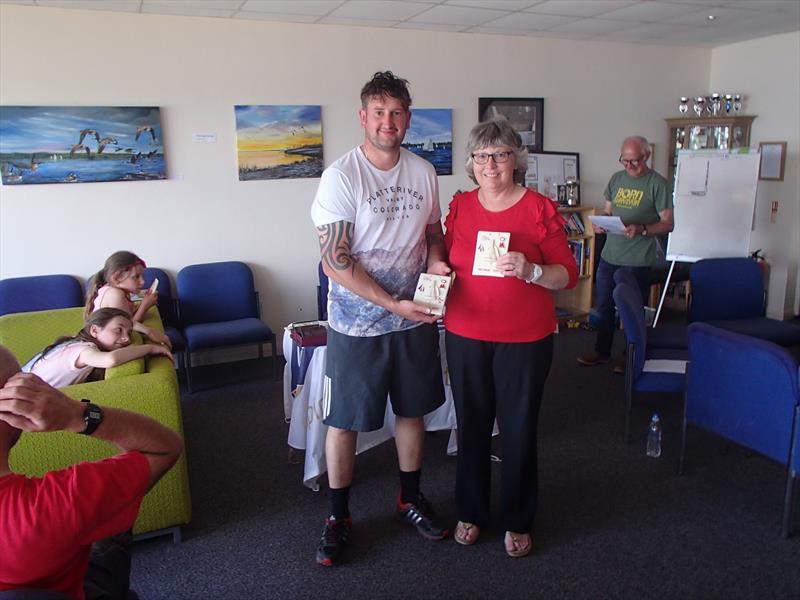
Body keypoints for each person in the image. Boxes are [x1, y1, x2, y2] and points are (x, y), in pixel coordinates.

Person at [310, 70, 450, 566]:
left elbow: (433, 231)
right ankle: (339, 515)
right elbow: (336, 260)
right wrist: (391, 303)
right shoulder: (342, 177)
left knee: (412, 411)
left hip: (414, 320)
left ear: (407, 119)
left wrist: (435, 259)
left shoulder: (423, 172)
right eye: (379, 112)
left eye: (397, 113)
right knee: (345, 421)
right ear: (363, 117)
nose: (388, 122)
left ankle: (409, 498)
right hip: (356, 327)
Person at [442, 118, 579, 557]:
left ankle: (518, 518)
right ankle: (471, 510)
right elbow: (444, 258)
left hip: (525, 338)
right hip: (465, 334)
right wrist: (436, 274)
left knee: (518, 430)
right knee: (472, 426)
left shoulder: (538, 208)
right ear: (471, 163)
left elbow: (568, 276)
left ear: (516, 160)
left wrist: (533, 271)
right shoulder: (461, 206)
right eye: (482, 156)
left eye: (500, 154)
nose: (491, 164)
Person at [0, 345, 183, 598]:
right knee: (112, 533)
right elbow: (165, 447)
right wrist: (75, 414)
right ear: (14, 404)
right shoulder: (59, 503)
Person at [577, 136, 673, 371]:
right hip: (610, 254)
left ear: (647, 157)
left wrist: (642, 229)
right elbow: (609, 211)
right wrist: (602, 223)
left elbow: (668, 224)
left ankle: (629, 355)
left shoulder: (658, 184)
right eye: (625, 160)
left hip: (638, 259)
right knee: (604, 306)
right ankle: (602, 351)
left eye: (635, 161)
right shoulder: (616, 179)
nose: (629, 166)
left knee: (632, 310)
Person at [22, 308, 173, 388]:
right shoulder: (82, 350)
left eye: (128, 332)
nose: (126, 338)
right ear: (94, 330)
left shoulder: (76, 344)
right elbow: (110, 360)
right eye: (118, 330)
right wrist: (149, 349)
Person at [85, 251, 171, 349]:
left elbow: (127, 317)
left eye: (142, 276)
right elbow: (128, 325)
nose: (142, 282)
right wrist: (145, 306)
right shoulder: (115, 295)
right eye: (136, 277)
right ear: (116, 278)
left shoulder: (121, 291)